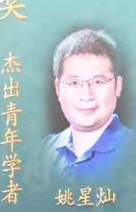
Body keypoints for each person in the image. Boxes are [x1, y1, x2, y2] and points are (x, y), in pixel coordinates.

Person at [42, 29, 130, 178]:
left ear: (118, 86)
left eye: (98, 82)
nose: (86, 95)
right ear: (58, 89)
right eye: (74, 83)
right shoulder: (40, 153)